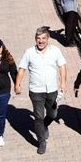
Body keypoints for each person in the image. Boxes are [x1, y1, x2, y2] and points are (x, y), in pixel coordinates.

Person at [16, 26, 67, 155]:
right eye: (38, 38)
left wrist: (63, 83)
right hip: (36, 91)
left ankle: (44, 126)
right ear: (35, 39)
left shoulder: (55, 51)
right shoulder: (29, 52)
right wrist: (18, 84)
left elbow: (62, 67)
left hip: (52, 90)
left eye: (43, 38)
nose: (41, 41)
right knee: (38, 116)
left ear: (48, 39)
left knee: (53, 114)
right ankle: (41, 141)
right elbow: (22, 69)